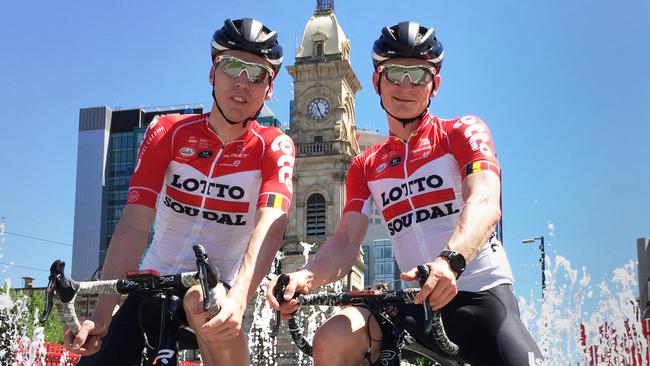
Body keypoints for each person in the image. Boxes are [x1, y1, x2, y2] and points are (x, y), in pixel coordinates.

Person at [267, 21, 543, 366]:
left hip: (480, 294)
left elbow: (485, 202)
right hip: (415, 303)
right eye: (395, 72)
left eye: (419, 74)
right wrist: (304, 276)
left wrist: (450, 262)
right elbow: (345, 241)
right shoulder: (366, 165)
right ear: (376, 81)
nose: (405, 86)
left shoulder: (461, 132)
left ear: (435, 85)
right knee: (333, 338)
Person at [66, 18, 295, 366]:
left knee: (200, 301)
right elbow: (133, 224)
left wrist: (241, 300)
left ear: (270, 89)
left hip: (219, 290)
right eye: (232, 66)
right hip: (151, 286)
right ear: (211, 73)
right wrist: (101, 314)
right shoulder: (168, 132)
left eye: (258, 74)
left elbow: (272, 227)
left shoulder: (273, 145)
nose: (242, 83)